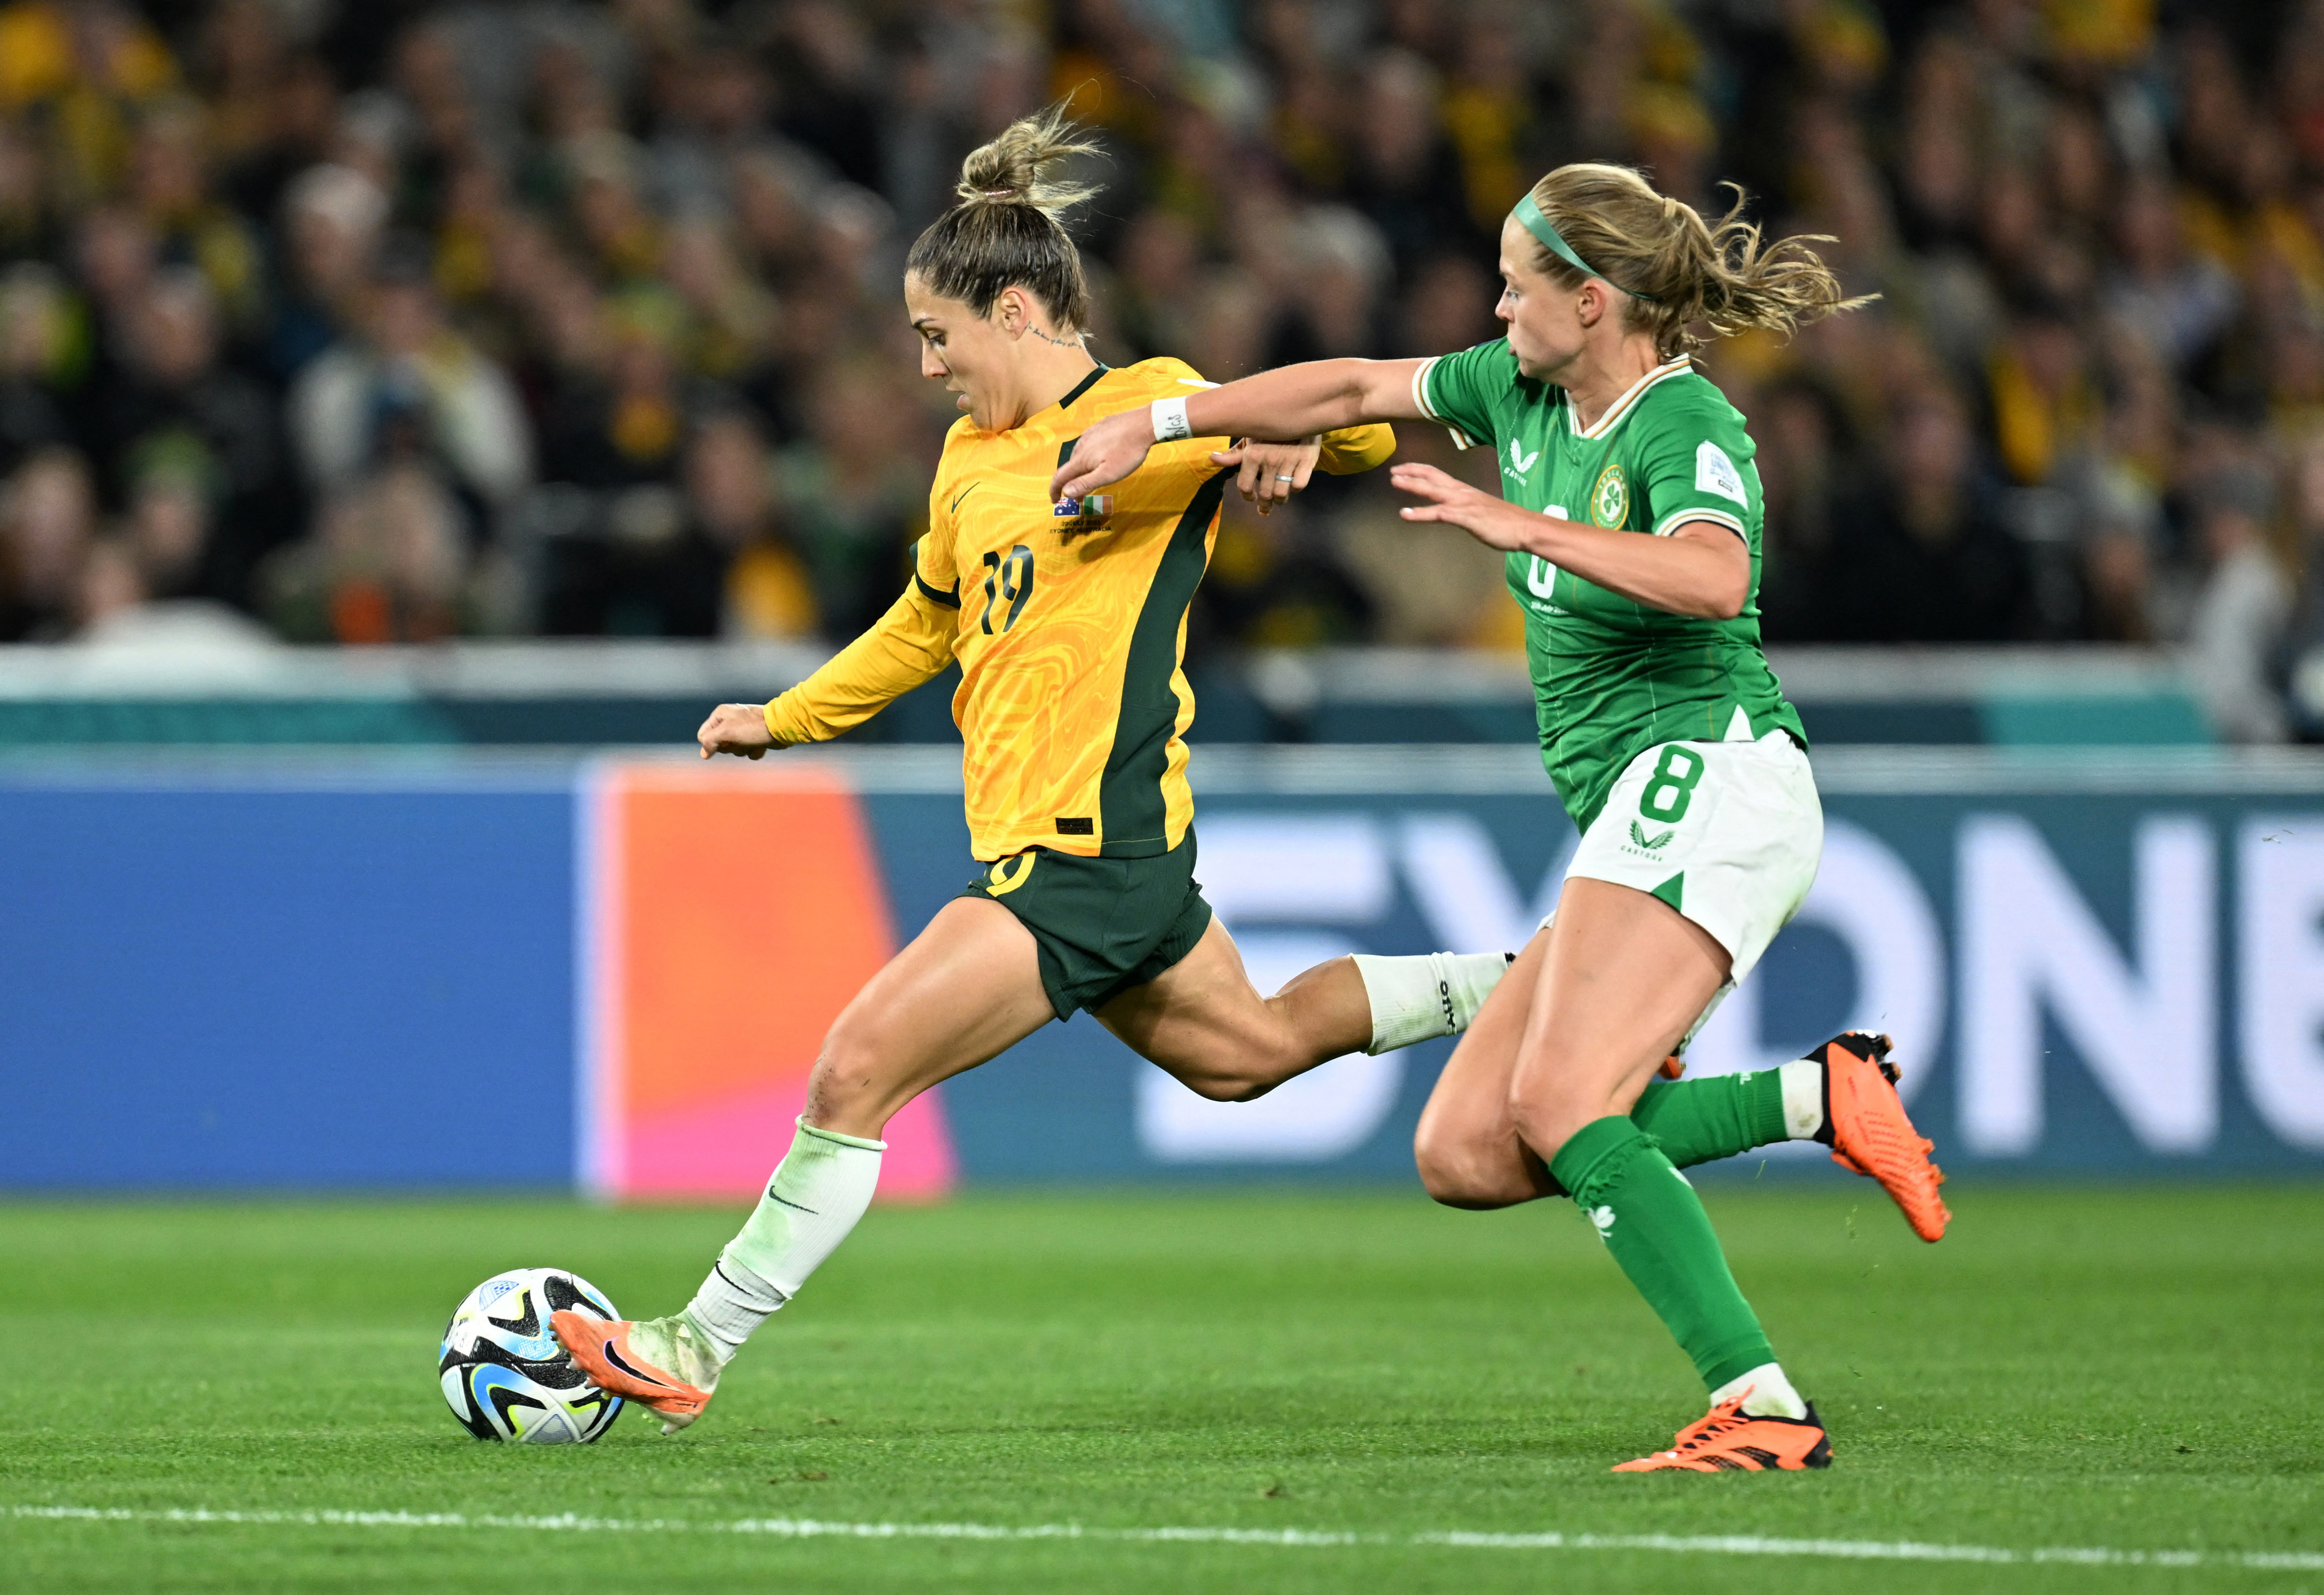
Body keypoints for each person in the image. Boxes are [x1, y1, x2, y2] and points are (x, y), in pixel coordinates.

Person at [547, 108, 1513, 1433]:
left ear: (1015, 310)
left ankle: (695, 1344)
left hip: (1087, 847)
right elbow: (928, 623)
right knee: (1254, 1050)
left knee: (853, 1071)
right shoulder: (965, 463)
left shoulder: (1145, 407)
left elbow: (1347, 418)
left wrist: (1296, 443)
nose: (929, 365)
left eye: (939, 336)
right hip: (1057, 849)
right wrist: (786, 717)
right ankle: (1539, 985)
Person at [1055, 162, 1950, 1473]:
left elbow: (1716, 575)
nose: (1496, 305)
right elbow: (1356, 384)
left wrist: (1510, 519)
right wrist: (1169, 420)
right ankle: (1818, 1093)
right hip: (1642, 805)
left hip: (1714, 770)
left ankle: (1760, 1400)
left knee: (1565, 1096)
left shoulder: (1679, 420)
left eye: (1518, 286)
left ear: (1592, 301)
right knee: (1467, 1148)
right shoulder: (1515, 387)